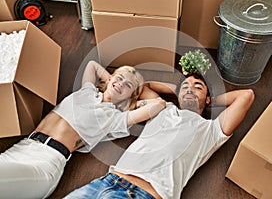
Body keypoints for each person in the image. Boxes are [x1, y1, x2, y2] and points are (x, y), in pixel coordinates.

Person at [64, 72, 255, 199]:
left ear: (207, 98)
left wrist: (209, 101)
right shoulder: (163, 108)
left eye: (198, 86)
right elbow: (143, 87)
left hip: (141, 195)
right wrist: (182, 90)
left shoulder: (211, 130)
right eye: (186, 86)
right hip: (105, 181)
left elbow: (246, 95)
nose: (190, 88)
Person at [0, 60, 166, 199]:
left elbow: (159, 104)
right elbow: (92, 65)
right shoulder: (87, 91)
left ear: (131, 94)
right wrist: (114, 82)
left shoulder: (115, 118)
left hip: (45, 162)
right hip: (21, 149)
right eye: (119, 78)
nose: (121, 83)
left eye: (127, 85)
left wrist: (138, 95)